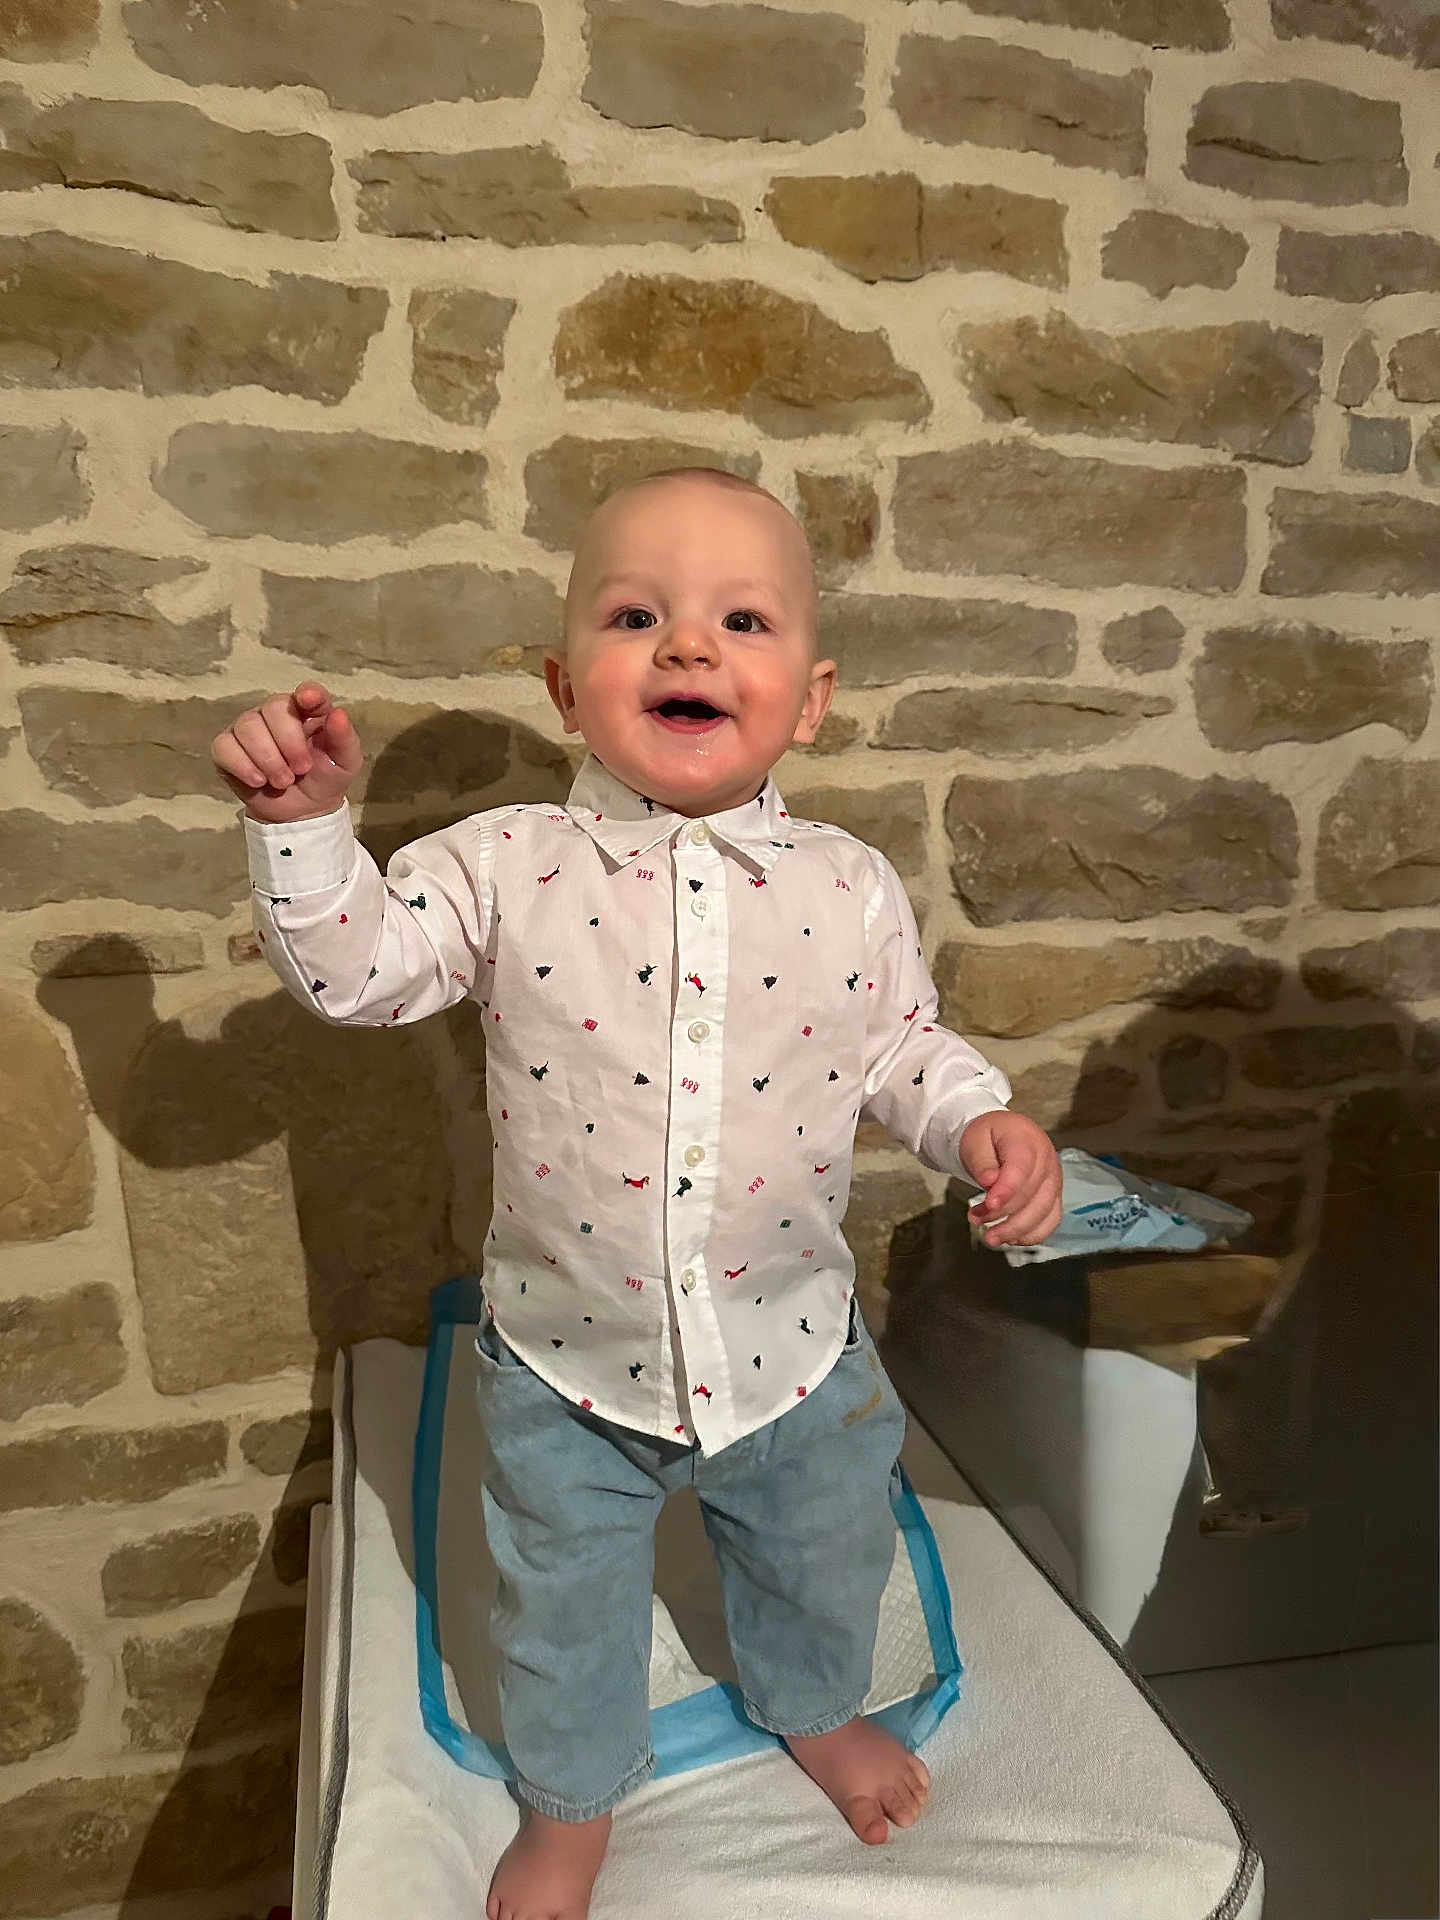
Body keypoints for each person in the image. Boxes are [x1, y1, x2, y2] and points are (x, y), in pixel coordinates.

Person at [213, 466, 1063, 1920]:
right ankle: (570, 1803)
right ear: (564, 684)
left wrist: (982, 1124)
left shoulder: (848, 886)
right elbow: (355, 973)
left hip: (791, 1355)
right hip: (566, 1368)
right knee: (561, 1612)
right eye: (635, 615)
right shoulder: (505, 867)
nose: (686, 645)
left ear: (811, 695)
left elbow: (904, 1047)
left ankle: (812, 1704)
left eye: (740, 618)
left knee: (822, 1560)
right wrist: (307, 830)